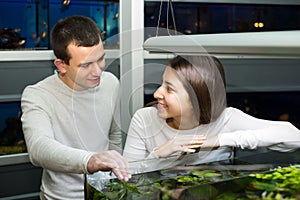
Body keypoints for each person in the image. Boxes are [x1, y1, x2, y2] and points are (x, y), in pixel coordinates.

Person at [123, 55, 300, 170]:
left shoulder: (227, 119)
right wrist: (159, 154)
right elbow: (125, 178)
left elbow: (293, 136)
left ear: (197, 99)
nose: (157, 94)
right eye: (162, 84)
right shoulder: (144, 118)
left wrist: (217, 141)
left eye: (169, 89)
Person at [21, 15, 131, 200]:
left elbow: (113, 134)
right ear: (61, 65)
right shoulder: (37, 95)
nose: (98, 71)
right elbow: (38, 148)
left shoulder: (111, 83)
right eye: (86, 65)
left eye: (101, 59)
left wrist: (112, 176)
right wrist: (91, 160)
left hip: (103, 193)